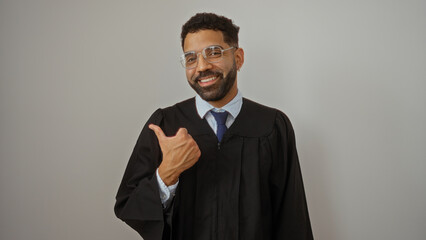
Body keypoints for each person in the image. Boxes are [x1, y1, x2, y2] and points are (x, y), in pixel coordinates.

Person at [114, 12, 314, 240]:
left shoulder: (272, 126)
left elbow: (293, 219)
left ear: (238, 58)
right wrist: (166, 175)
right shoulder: (165, 125)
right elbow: (129, 207)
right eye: (191, 58)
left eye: (214, 53)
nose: (201, 67)